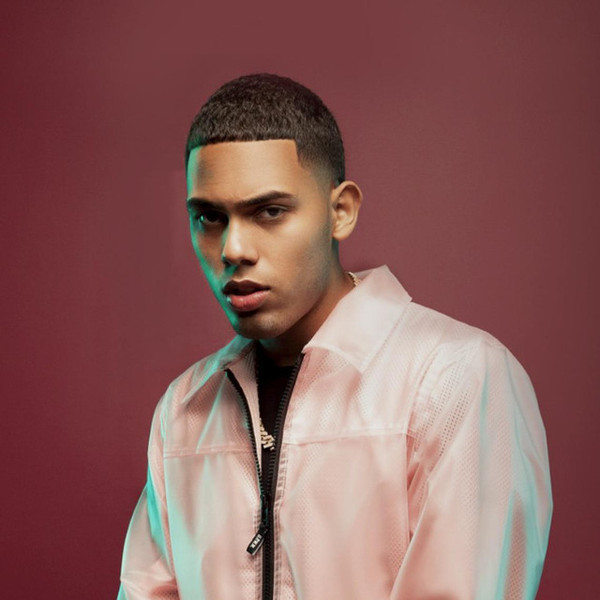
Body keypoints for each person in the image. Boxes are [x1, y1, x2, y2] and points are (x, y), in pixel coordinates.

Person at [118, 73, 552, 600]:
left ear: (340, 211)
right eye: (209, 217)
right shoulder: (184, 409)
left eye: (269, 211)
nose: (233, 248)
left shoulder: (456, 378)